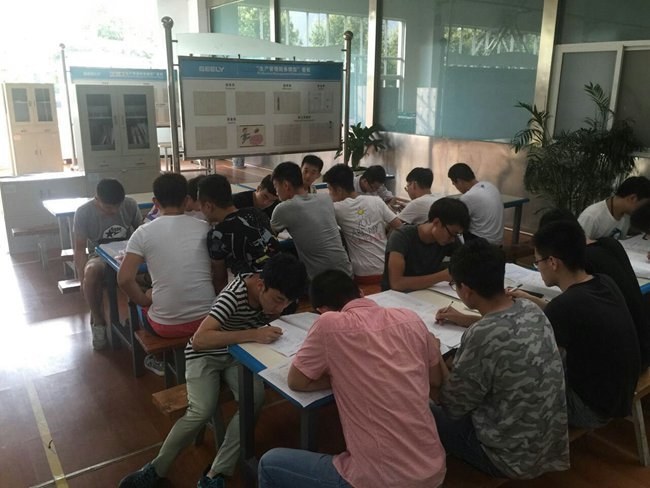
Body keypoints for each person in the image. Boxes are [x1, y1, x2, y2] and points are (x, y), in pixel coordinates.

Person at [118, 253, 307, 488]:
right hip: (205, 355)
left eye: (286, 303)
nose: (280, 308)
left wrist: (266, 324)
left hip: (238, 354)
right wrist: (254, 334)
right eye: (277, 300)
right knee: (202, 410)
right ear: (261, 285)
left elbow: (269, 317)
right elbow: (200, 340)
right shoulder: (233, 296)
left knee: (254, 400)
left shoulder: (275, 294)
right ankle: (156, 469)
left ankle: (216, 472)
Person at [258, 269, 447, 488]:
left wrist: (341, 374)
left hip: (382, 480)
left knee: (269, 464)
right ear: (360, 292)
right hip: (434, 471)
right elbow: (435, 380)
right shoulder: (409, 318)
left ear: (322, 310)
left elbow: (297, 381)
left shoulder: (328, 324)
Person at [431, 239, 570, 479]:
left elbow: (451, 405)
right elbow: (504, 328)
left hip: (508, 459)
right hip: (550, 445)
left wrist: (434, 355)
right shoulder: (530, 308)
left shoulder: (481, 335)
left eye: (455, 285)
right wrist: (465, 320)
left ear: (466, 290)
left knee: (422, 405)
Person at [510, 220, 641, 429]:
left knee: (514, 375)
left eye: (537, 262)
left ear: (553, 262)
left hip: (589, 409)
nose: (538, 267)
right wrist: (531, 299)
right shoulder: (603, 282)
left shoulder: (564, 306)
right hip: (619, 396)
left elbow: (533, 359)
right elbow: (571, 315)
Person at [540, 208, 650, 370]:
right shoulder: (609, 244)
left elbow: (568, 312)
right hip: (641, 345)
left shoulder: (583, 262)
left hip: (621, 363)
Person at [117, 173, 216, 339]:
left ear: (155, 202)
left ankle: (155, 353)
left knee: (144, 302)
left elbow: (124, 279)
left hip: (166, 326)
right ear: (186, 200)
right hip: (209, 319)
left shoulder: (142, 233)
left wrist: (144, 300)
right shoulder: (205, 228)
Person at [73, 178, 141, 350]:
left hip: (128, 253)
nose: (115, 211)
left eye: (118, 206)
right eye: (109, 208)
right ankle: (98, 321)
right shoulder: (83, 213)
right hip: (99, 255)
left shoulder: (130, 205)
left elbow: (142, 232)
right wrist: (81, 278)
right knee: (91, 273)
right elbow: (79, 249)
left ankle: (141, 319)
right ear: (97, 200)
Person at [271, 161, 352, 280]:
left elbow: (268, 237)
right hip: (347, 272)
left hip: (319, 281)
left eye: (276, 186)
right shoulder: (325, 199)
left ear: (286, 185)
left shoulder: (284, 208)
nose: (276, 192)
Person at [199, 174, 279, 293]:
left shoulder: (217, 234)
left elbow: (220, 280)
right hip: (285, 283)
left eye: (200, 206)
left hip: (261, 293)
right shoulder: (257, 213)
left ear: (208, 206)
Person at [323, 164, 401, 285]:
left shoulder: (336, 208)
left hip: (363, 275)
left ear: (338, 190)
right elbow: (400, 226)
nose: (329, 194)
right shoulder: (376, 201)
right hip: (388, 269)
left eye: (330, 190)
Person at [381, 197, 469, 291]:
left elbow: (466, 262)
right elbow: (396, 284)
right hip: (395, 296)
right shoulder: (401, 237)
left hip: (426, 293)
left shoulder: (448, 238)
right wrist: (442, 276)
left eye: (457, 235)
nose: (453, 240)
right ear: (437, 222)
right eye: (452, 233)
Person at [578, 176, 650, 240]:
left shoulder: (626, 215)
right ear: (632, 198)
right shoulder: (591, 217)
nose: (645, 209)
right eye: (644, 205)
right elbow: (576, 246)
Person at [448, 162, 504, 245]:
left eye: (454, 184)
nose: (456, 187)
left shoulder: (468, 197)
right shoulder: (490, 186)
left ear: (459, 181)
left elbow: (456, 221)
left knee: (451, 228)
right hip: (498, 241)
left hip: (482, 244)